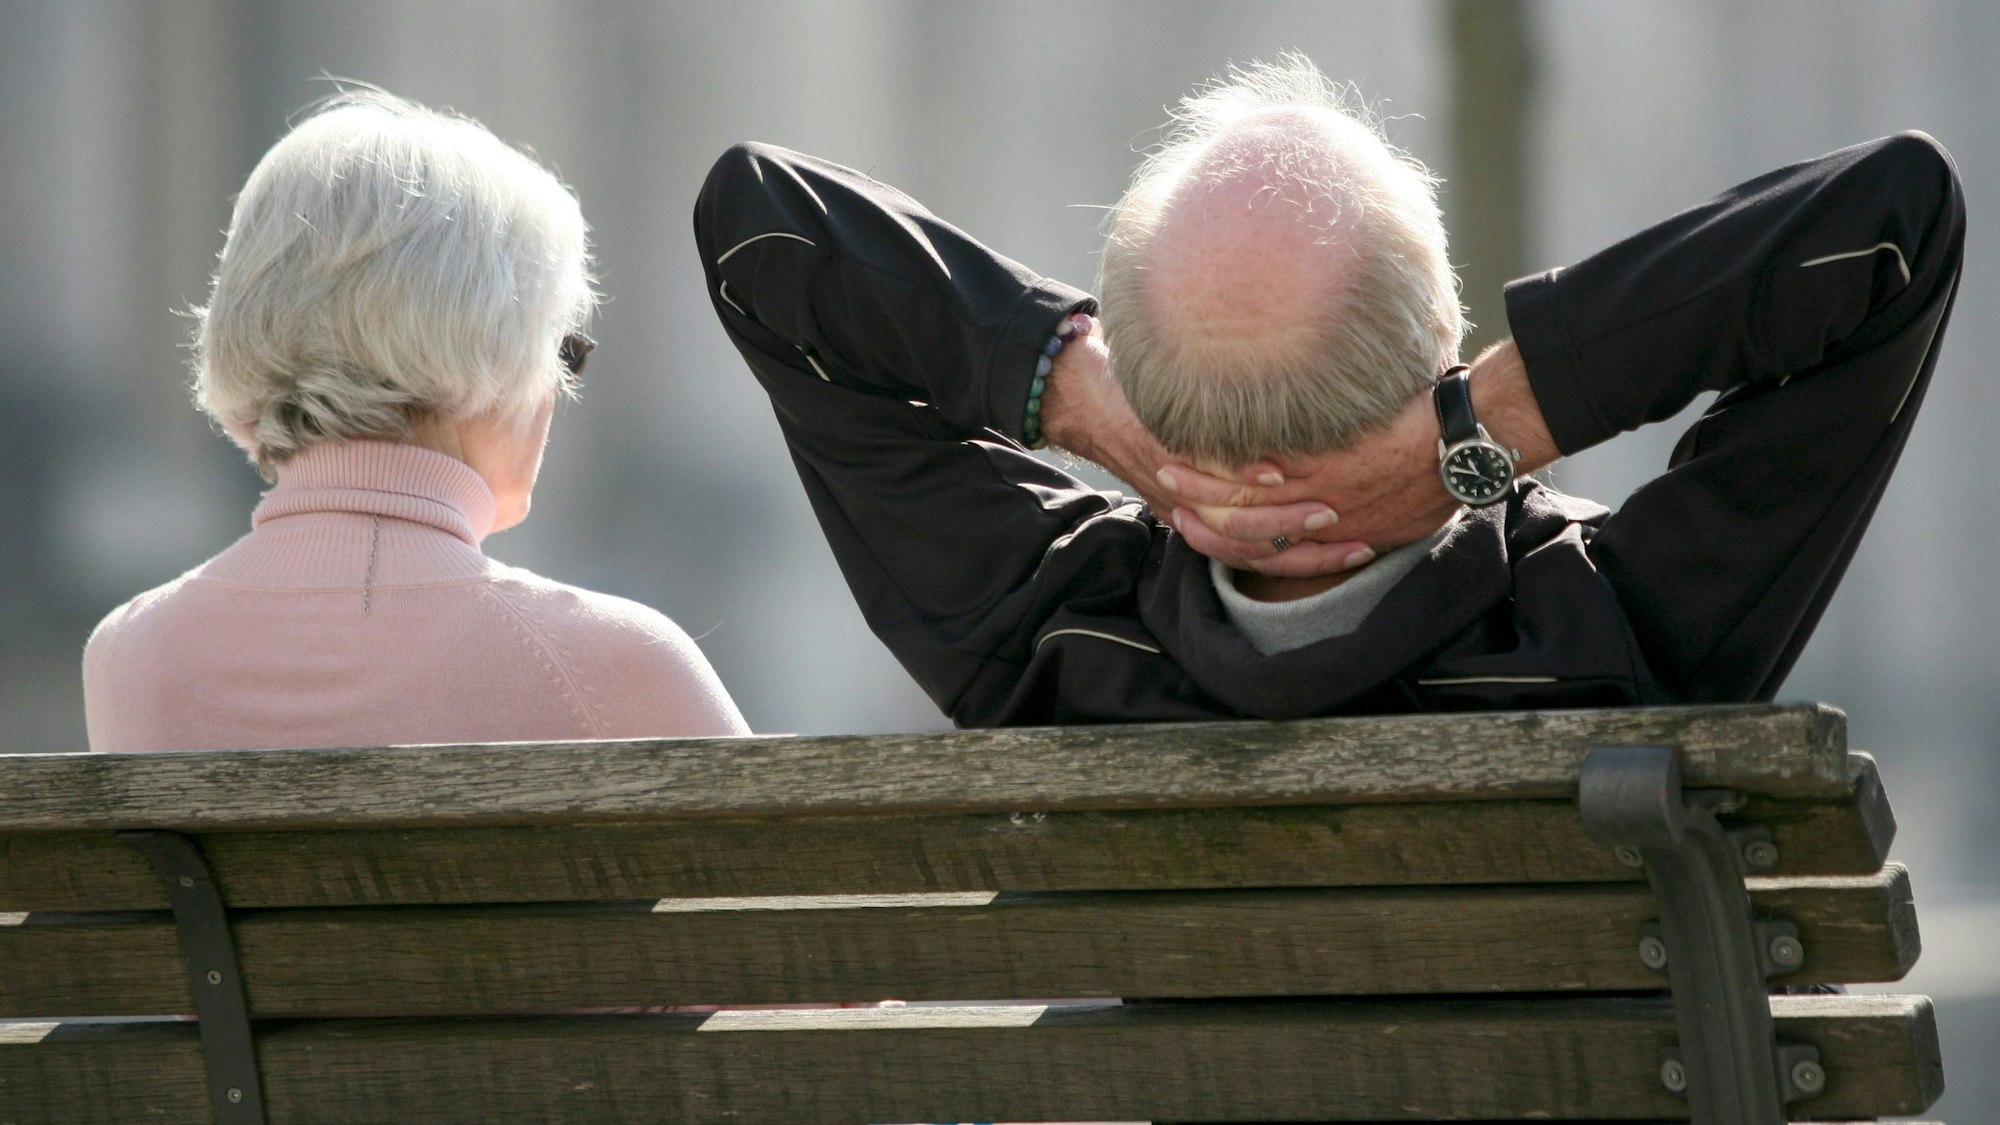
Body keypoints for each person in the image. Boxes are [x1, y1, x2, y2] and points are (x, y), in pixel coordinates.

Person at [694, 55, 1963, 727]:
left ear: (1149, 384)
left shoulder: (1040, 641)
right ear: (1445, 335)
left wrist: (1086, 409)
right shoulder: (1617, 630)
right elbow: (1891, 223)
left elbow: (764, 236)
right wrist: (1482, 437)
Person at [84, 91, 748, 752]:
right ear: (494, 348)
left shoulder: (128, 654)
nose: (557, 391)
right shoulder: (614, 661)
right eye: (561, 352)